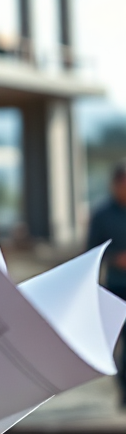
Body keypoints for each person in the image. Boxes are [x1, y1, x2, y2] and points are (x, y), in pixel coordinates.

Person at [87, 158, 126, 405]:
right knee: (118, 344)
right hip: (116, 286)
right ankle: (123, 389)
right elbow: (91, 252)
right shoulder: (101, 215)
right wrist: (114, 259)